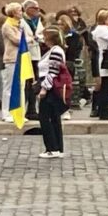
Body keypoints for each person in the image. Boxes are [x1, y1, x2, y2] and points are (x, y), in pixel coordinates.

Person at [37, 28, 71, 158]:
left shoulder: (55, 51)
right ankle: (57, 147)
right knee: (53, 118)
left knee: (46, 118)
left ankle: (52, 147)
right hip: (51, 85)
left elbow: (53, 72)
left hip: (51, 87)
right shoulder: (54, 50)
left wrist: (44, 88)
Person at [0, 3, 24, 122]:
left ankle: (17, 112)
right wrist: (30, 39)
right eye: (19, 10)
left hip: (21, 58)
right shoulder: (7, 26)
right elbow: (16, 40)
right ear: (13, 12)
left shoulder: (20, 25)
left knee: (19, 87)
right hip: (11, 58)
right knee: (8, 86)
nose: (21, 12)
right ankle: (5, 113)